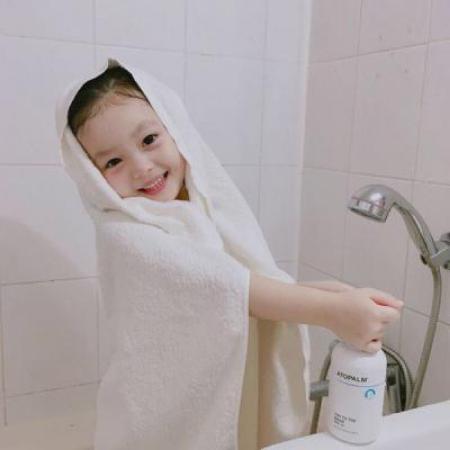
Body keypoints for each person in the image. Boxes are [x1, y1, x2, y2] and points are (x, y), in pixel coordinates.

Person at [57, 59, 403, 450]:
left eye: (149, 139)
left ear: (176, 129)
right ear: (91, 177)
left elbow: (240, 286)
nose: (142, 167)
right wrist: (332, 312)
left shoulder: (204, 207)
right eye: (113, 161)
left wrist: (328, 294)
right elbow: (230, 289)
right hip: (160, 421)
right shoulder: (125, 235)